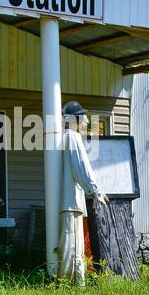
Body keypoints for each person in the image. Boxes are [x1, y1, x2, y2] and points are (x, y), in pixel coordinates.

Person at [57, 100, 107, 284]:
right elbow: (82, 168)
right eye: (82, 116)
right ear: (74, 119)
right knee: (74, 248)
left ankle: (70, 284)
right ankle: (73, 287)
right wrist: (96, 191)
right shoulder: (72, 137)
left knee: (72, 247)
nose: (85, 120)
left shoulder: (62, 138)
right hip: (71, 202)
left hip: (68, 201)